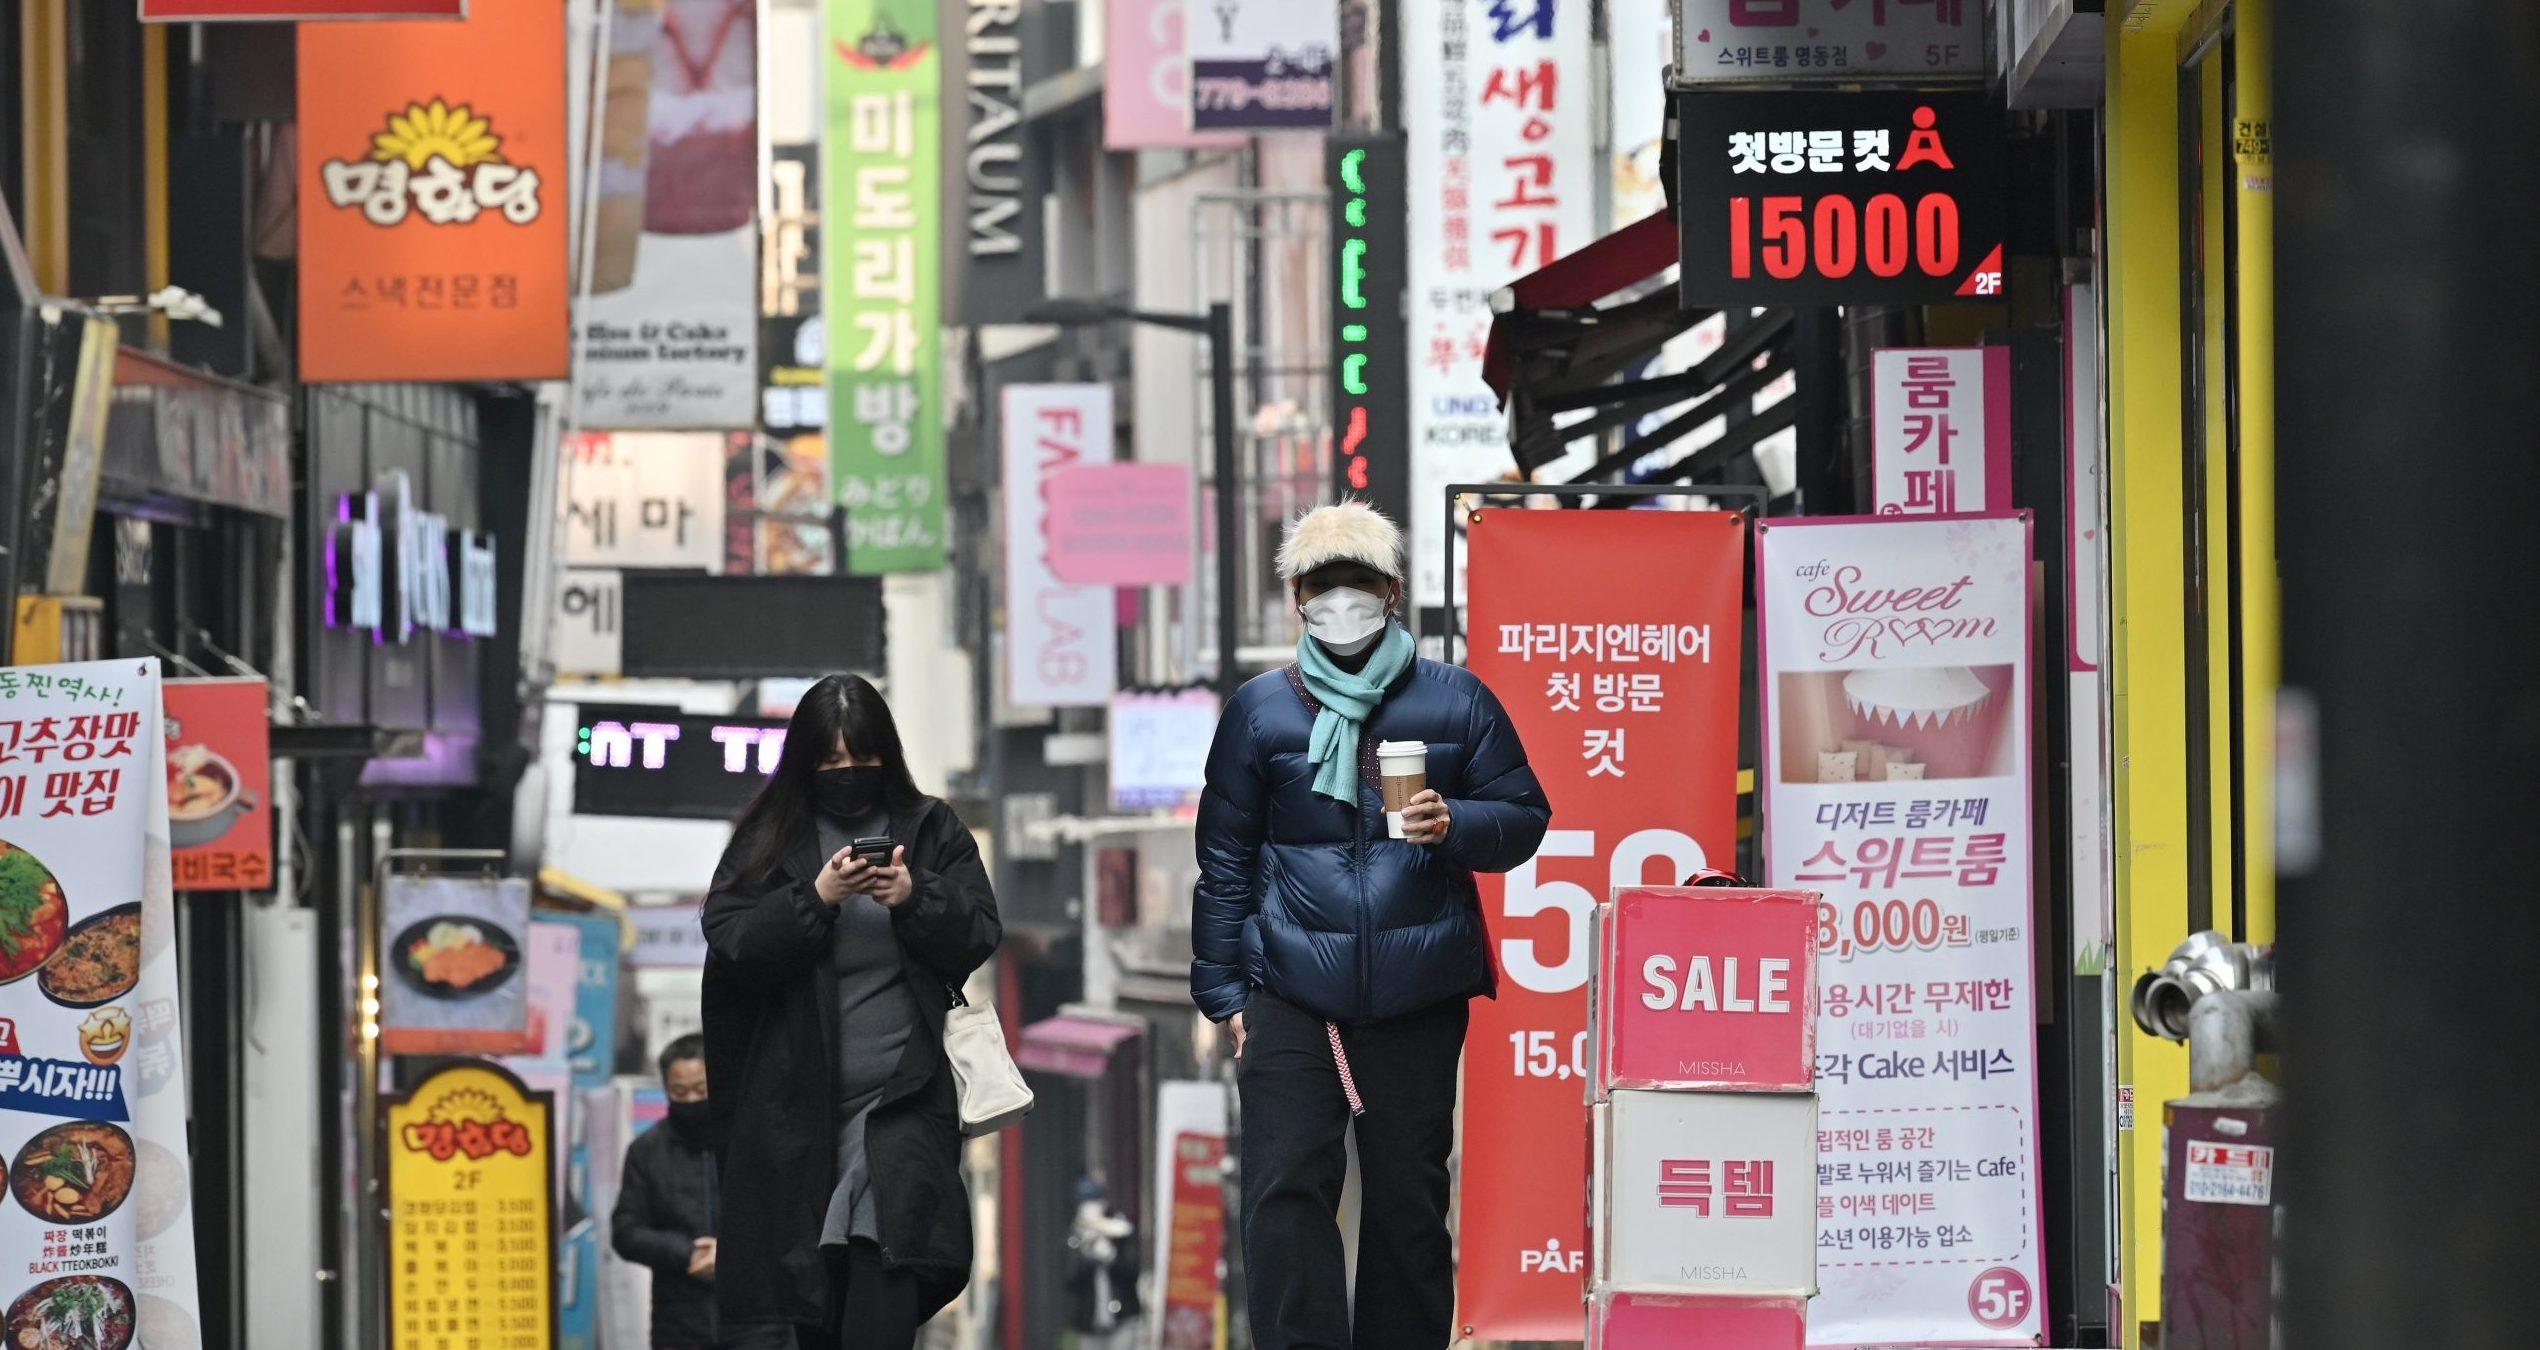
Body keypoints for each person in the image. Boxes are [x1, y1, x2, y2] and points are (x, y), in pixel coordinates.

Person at [1190, 502, 1552, 1350]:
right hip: (1288, 987)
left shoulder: (1456, 699)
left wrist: (1453, 821)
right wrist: (1222, 991)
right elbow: (1227, 860)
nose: (1340, 601)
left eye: (1358, 583)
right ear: (1295, 599)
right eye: (1322, 585)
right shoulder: (1258, 712)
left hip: (1419, 987)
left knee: (1409, 1201)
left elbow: (1525, 817)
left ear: (1392, 591)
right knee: (1282, 1191)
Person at [701, 674, 1001, 1350]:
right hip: (800, 1111)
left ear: (884, 757)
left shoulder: (930, 829)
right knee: (820, 1307)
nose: (846, 775)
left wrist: (913, 893)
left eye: (860, 760)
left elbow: (980, 930)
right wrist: (817, 897)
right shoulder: (767, 843)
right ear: (806, 763)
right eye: (830, 762)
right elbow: (735, 944)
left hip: (904, 1103)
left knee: (885, 1275)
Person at [610, 1035, 790, 1350]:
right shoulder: (646, 1151)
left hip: (759, 1320)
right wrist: (688, 1254)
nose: (691, 1100)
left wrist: (732, 1255)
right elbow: (626, 1231)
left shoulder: (756, 1141)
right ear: (666, 1088)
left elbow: (789, 1218)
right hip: (679, 1324)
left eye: (701, 1090)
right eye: (680, 1092)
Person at [1065, 1174, 1142, 1349]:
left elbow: (1133, 1270)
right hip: (1088, 1324)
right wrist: (1089, 1254)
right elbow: (1069, 1278)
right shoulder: (1075, 1236)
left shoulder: (1120, 1230)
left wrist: (1112, 1257)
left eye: (1094, 1202)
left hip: (1122, 1320)